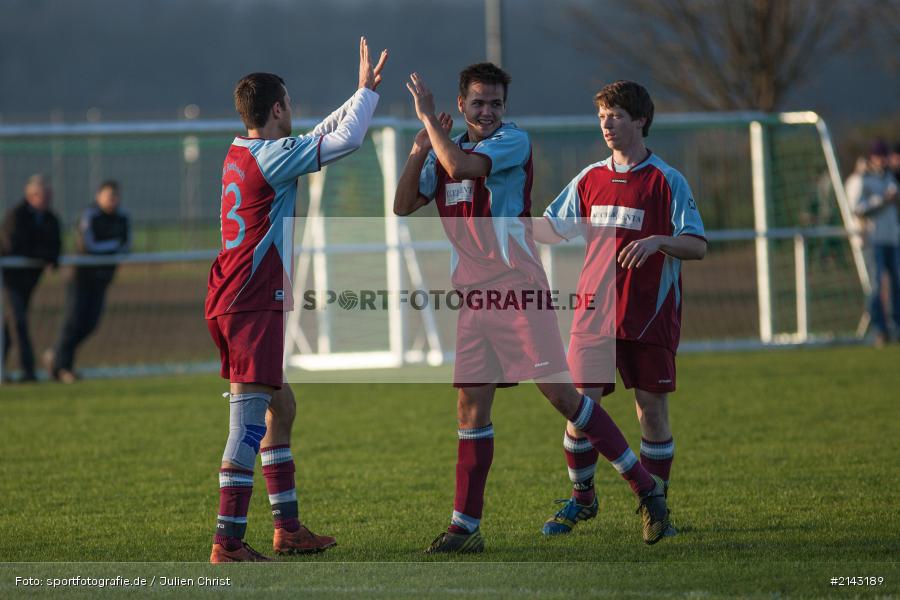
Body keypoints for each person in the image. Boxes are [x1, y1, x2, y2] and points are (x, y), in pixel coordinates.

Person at [396, 64, 671, 553]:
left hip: (517, 289)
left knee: (564, 398)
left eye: (495, 103)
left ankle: (646, 489)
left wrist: (430, 125)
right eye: (478, 103)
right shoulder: (445, 149)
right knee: (470, 408)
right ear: (462, 105)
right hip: (474, 299)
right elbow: (402, 204)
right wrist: (419, 149)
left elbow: (462, 169)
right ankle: (465, 527)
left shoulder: (511, 143)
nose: (487, 111)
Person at [205, 37, 387, 563]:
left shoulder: (242, 151)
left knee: (281, 407)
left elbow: (318, 136)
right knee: (248, 424)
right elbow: (347, 141)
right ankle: (228, 541)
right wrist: (364, 101)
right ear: (278, 108)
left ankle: (287, 530)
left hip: (234, 294)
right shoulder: (272, 157)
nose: (296, 112)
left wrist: (360, 94)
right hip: (251, 299)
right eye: (290, 103)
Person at [537, 80, 707, 536]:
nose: (606, 125)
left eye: (615, 116)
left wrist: (659, 241)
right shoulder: (589, 178)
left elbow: (697, 246)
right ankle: (582, 498)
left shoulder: (666, 180)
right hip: (593, 315)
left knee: (650, 410)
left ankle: (657, 507)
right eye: (601, 117)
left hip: (649, 314)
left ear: (640, 121)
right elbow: (551, 229)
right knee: (579, 407)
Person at [43, 180, 129, 383]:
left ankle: (56, 355)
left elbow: (127, 245)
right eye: (109, 196)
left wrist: (112, 248)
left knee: (90, 324)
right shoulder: (90, 215)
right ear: (98, 196)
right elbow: (88, 245)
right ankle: (63, 367)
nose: (112, 201)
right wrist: (113, 246)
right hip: (79, 277)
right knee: (72, 322)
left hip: (102, 278)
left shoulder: (122, 217)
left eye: (115, 197)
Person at [1, 174, 61, 382]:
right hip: (9, 279)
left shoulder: (51, 218)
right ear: (30, 195)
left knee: (10, 326)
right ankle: (28, 371)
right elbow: (14, 246)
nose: (45, 198)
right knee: (18, 321)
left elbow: (55, 248)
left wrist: (47, 257)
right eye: (41, 195)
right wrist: (43, 255)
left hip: (29, 280)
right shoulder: (16, 216)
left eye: (48, 194)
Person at [846, 139, 899, 346]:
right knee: (876, 286)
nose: (884, 160)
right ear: (872, 157)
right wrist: (882, 201)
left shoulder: (889, 177)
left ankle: (896, 327)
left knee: (897, 284)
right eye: (880, 156)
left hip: (892, 238)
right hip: (873, 239)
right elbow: (857, 208)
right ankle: (880, 329)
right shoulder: (862, 180)